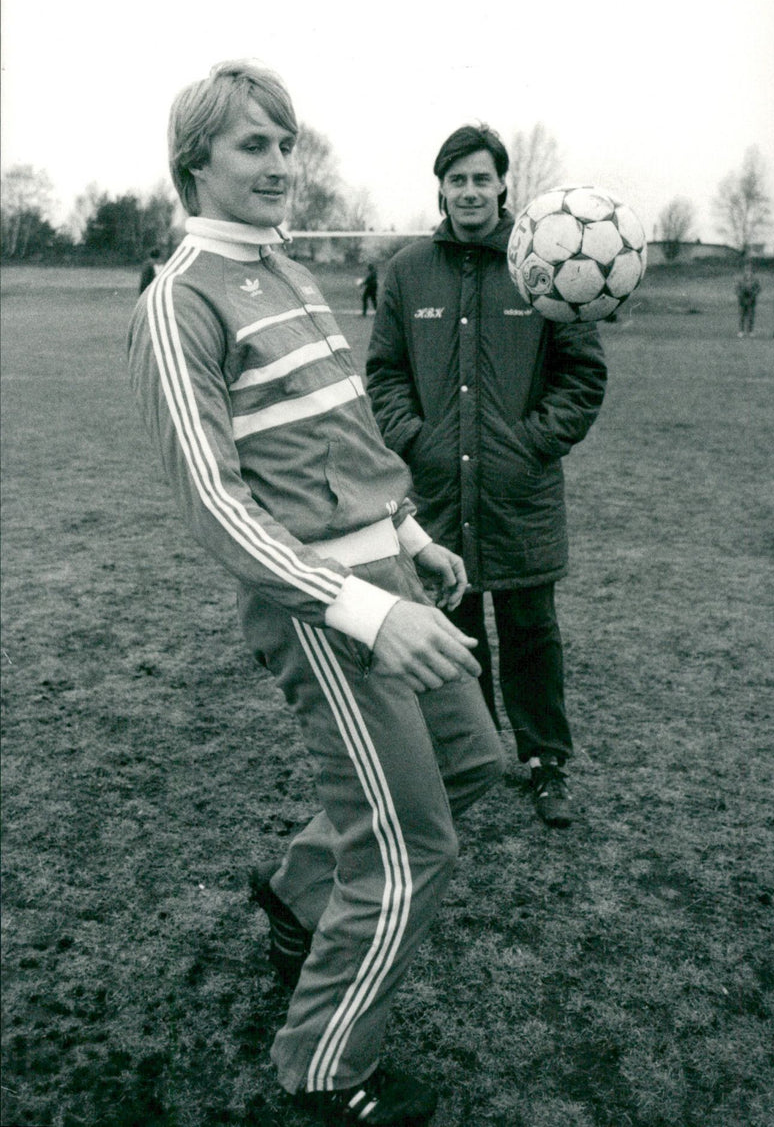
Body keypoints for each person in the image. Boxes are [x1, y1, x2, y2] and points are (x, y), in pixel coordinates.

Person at [127, 61, 504, 1127]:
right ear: (192, 163)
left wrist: (409, 536)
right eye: (254, 145)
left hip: (386, 574)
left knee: (473, 759)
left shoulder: (289, 274)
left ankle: (295, 894)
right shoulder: (179, 299)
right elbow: (215, 501)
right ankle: (325, 1071)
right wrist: (360, 602)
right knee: (409, 847)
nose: (281, 165)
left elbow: (342, 437)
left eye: (287, 144)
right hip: (321, 609)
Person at [366, 124, 607, 829]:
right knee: (453, 632)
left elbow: (583, 376)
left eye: (482, 178)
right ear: (439, 187)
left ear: (504, 186)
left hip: (520, 492)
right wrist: (418, 441)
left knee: (532, 631)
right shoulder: (408, 271)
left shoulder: (542, 264)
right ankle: (465, 760)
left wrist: (532, 444)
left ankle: (546, 765)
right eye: (456, 178)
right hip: (439, 492)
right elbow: (383, 375)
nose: (469, 190)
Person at [734, 259, 760, 337]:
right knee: (742, 316)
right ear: (744, 271)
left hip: (752, 300)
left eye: (750, 270)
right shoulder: (740, 279)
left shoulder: (755, 280)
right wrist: (740, 296)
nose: (748, 272)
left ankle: (750, 331)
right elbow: (737, 289)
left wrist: (753, 295)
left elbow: (758, 288)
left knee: (751, 316)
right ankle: (741, 331)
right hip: (742, 300)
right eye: (747, 270)